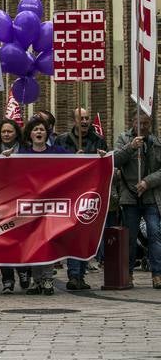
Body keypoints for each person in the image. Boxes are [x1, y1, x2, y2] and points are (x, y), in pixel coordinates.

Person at [57, 107, 108, 291]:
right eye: (81, 118)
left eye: (87, 118)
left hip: (90, 194)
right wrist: (72, 160)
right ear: (74, 120)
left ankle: (81, 274)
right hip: (71, 194)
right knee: (73, 235)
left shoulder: (98, 140)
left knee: (86, 234)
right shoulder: (62, 140)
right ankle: (73, 275)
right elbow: (54, 165)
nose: (85, 121)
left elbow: (106, 165)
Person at [18, 116, 67, 295]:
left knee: (47, 241)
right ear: (30, 134)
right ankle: (37, 279)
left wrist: (91, 158)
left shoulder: (59, 152)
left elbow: (77, 166)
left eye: (42, 129)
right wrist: (6, 159)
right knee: (33, 242)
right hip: (30, 206)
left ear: (47, 133)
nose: (39, 132)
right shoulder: (22, 155)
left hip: (51, 205)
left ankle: (47, 279)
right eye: (35, 129)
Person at [115, 112, 161, 289]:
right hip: (130, 196)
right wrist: (131, 147)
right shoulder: (123, 139)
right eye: (139, 123)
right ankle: (128, 274)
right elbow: (115, 160)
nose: (142, 127)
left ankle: (157, 274)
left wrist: (148, 182)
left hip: (151, 196)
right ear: (132, 123)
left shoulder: (156, 142)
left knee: (155, 234)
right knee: (130, 237)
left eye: (146, 124)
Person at [0, 118, 26, 292]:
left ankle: (24, 271)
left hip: (22, 201)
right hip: (0, 203)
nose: (6, 134)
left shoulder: (26, 151)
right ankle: (8, 280)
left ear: (16, 133)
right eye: (3, 131)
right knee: (4, 241)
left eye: (9, 131)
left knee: (22, 240)